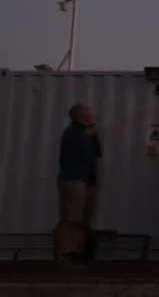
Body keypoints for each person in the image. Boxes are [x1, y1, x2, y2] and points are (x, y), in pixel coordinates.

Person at [54, 104, 97, 267]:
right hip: (73, 179)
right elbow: (86, 155)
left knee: (75, 218)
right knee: (69, 218)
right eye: (89, 111)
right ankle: (63, 254)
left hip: (77, 179)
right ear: (83, 114)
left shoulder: (77, 132)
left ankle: (71, 253)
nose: (93, 114)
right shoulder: (75, 133)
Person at [82, 123, 104, 261]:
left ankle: (85, 250)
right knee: (82, 219)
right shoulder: (88, 143)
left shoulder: (92, 143)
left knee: (85, 219)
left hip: (88, 183)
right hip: (86, 183)